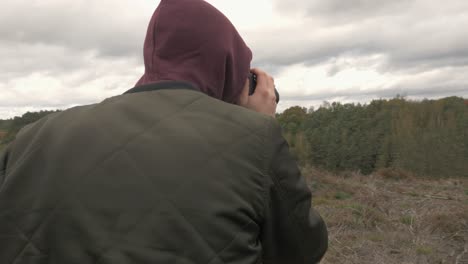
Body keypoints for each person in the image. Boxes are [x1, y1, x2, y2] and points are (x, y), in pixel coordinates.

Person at [0, 0, 328, 263]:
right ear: (226, 64)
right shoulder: (256, 139)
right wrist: (259, 123)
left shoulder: (30, 139)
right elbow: (304, 250)